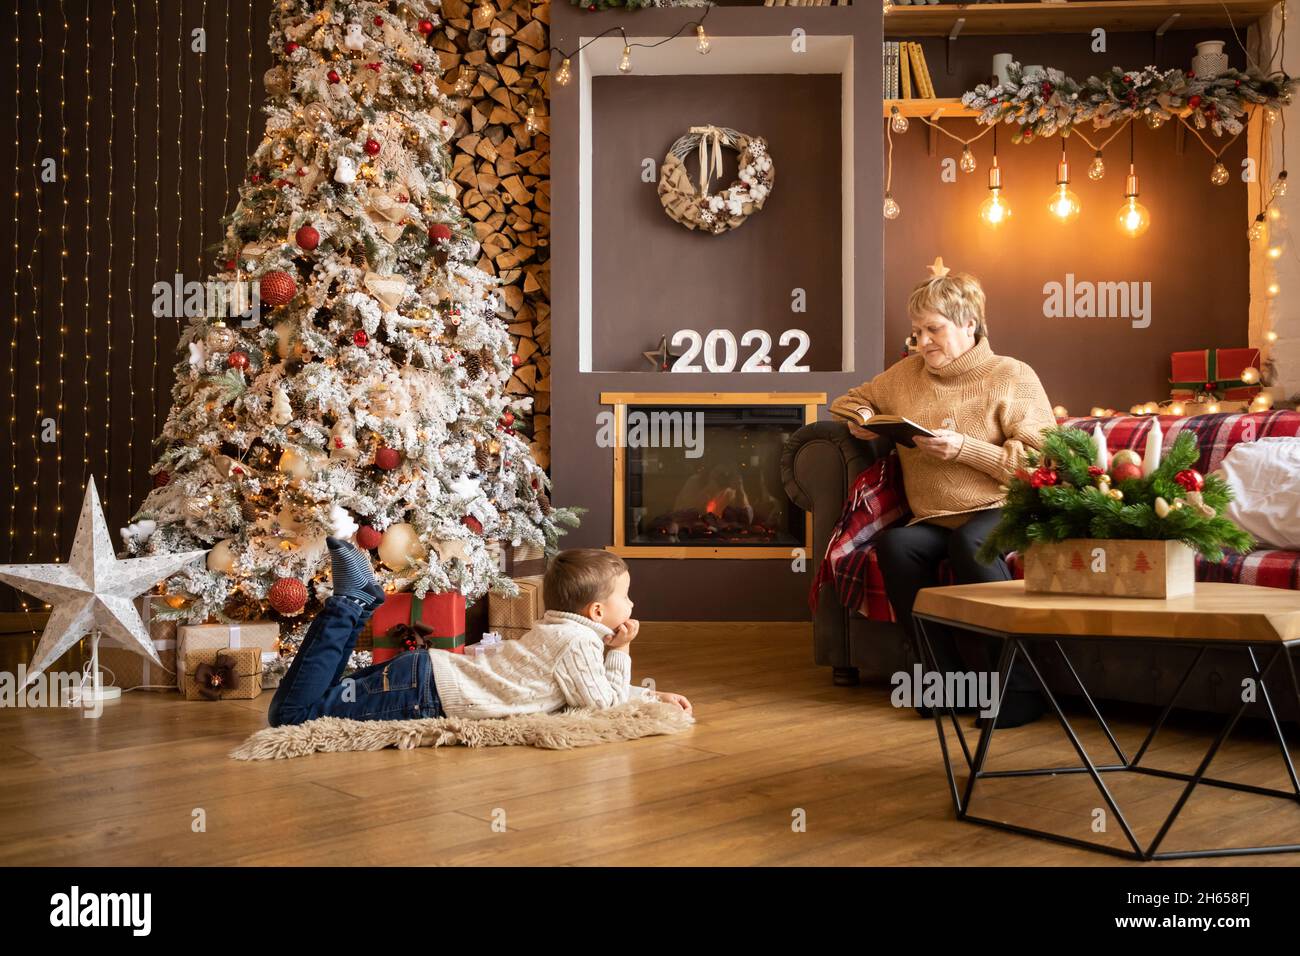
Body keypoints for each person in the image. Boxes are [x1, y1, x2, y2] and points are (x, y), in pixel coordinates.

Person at [829, 264, 1057, 727]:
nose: (922, 342)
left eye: (933, 328)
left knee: (970, 543)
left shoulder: (1010, 375)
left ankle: (1023, 686)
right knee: (896, 545)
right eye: (916, 332)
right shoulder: (904, 376)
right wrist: (866, 415)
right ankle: (948, 684)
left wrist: (965, 450)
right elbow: (847, 400)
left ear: (969, 324)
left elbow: (1040, 464)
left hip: (1002, 507)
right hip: (935, 515)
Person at [267, 541, 692, 727]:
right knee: (291, 717)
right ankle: (352, 605)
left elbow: (593, 688)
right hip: (424, 693)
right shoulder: (579, 643)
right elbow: (603, 706)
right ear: (597, 611)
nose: (632, 606)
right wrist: (622, 651)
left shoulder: (556, 630)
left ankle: (357, 604)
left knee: (324, 695)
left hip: (421, 673)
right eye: (627, 596)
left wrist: (651, 695)